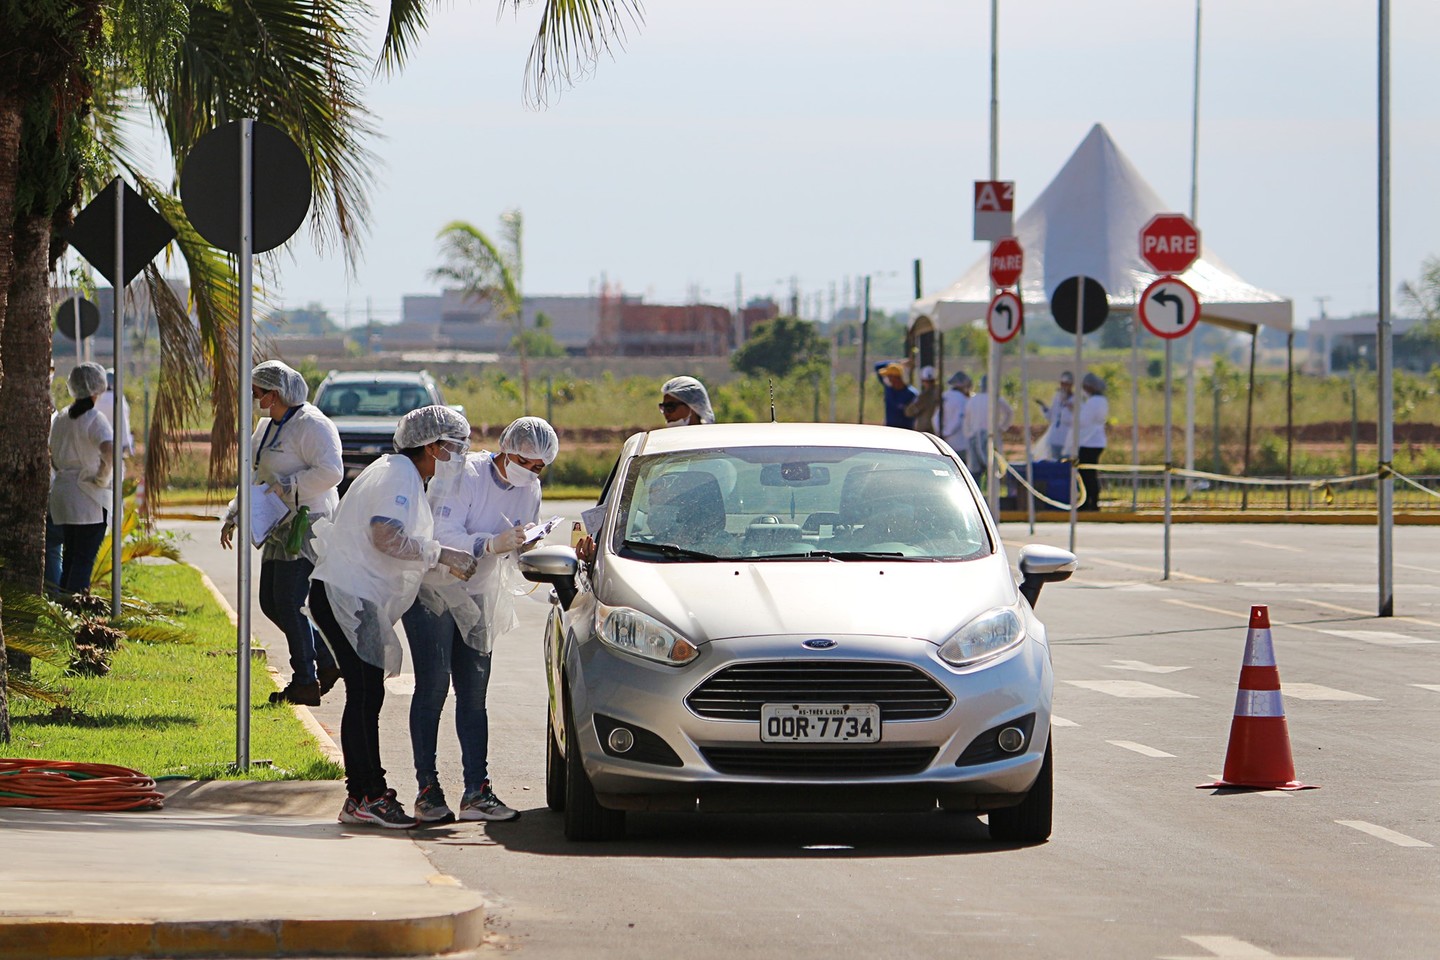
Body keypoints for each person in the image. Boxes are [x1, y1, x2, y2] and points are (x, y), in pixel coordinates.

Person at [307, 405, 480, 828]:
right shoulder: (400, 474)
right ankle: (364, 795)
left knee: (368, 694)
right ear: (433, 447)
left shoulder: (403, 473)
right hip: (346, 596)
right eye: (454, 449)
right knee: (364, 695)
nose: (458, 458)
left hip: (353, 595)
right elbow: (386, 534)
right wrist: (442, 553)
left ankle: (367, 793)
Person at [400, 416, 560, 825]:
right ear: (507, 449)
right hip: (433, 589)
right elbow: (443, 530)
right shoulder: (465, 472)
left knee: (474, 693)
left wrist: (529, 543)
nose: (532, 472)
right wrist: (490, 543)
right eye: (527, 461)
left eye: (541, 467)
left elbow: (516, 540)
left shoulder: (530, 488)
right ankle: (427, 788)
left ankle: (477, 790)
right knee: (433, 685)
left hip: (478, 592)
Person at [220, 361, 344, 706]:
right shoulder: (266, 428)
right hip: (275, 524)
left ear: (274, 394)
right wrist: (234, 513)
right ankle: (328, 659)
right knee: (271, 603)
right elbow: (256, 474)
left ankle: (305, 681)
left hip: (306, 524)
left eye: (258, 391)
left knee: (290, 601)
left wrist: (289, 485)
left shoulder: (313, 425)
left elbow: (332, 471)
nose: (254, 397)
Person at [46, 362, 115, 594]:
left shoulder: (61, 418)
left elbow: (52, 456)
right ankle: (76, 611)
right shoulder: (94, 418)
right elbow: (109, 450)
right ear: (99, 388)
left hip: (62, 496)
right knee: (83, 561)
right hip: (87, 497)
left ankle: (64, 608)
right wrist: (102, 478)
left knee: (70, 558)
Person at [961, 376, 1014, 480]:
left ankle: (978, 494)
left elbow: (966, 421)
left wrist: (969, 435)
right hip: (990, 437)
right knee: (992, 471)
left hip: (976, 437)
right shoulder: (995, 398)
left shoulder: (973, 400)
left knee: (977, 473)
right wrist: (1002, 427)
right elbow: (1009, 412)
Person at [1076, 372, 1109, 511]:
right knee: (1089, 473)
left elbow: (1083, 420)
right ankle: (1091, 500)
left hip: (1089, 441)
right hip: (1096, 441)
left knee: (1087, 473)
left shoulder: (1093, 401)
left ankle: (1090, 501)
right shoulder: (1102, 400)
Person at [1036, 371, 1075, 461]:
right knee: (1054, 461)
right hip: (1055, 437)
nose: (1064, 386)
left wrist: (1066, 402)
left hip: (1068, 438)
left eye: (1066, 384)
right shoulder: (1057, 397)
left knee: (1067, 463)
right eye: (1062, 384)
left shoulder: (1075, 399)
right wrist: (1044, 407)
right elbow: (1052, 416)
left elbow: (1075, 417)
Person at [96, 368, 134, 457]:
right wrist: (127, 443)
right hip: (119, 443)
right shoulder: (119, 398)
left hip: (101, 443)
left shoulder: (98, 399)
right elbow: (125, 421)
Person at [873, 360, 918, 428]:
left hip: (905, 431)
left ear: (895, 377)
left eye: (889, 376)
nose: (887, 378)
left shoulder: (911, 393)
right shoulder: (888, 389)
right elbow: (877, 366)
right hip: (889, 429)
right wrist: (898, 362)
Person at [935, 371, 972, 454]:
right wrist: (947, 433)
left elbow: (935, 418)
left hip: (943, 443)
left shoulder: (944, 396)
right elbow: (958, 419)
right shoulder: (962, 399)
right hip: (960, 443)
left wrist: (940, 433)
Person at [904, 365, 942, 434]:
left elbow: (909, 412)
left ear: (923, 380)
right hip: (937, 430)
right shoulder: (940, 393)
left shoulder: (924, 396)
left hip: (926, 431)